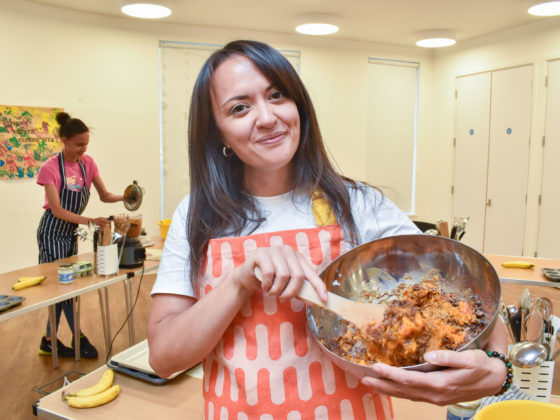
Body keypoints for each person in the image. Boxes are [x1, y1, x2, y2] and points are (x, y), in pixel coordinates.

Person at [148, 40, 508, 419]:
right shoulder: (196, 215)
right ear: (218, 133)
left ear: (298, 105)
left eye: (277, 95)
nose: (267, 117)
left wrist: (499, 366)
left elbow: (472, 305)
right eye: (239, 107)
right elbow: (163, 357)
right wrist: (239, 282)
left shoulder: (358, 205)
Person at [36, 112, 123, 359]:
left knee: (67, 287)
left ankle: (49, 339)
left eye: (86, 144)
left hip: (71, 232)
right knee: (63, 288)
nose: (83, 149)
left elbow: (104, 195)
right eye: (78, 144)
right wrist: (91, 221)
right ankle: (79, 337)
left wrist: (126, 196)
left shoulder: (88, 164)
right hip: (52, 233)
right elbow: (57, 210)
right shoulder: (50, 168)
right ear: (63, 140)